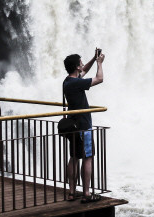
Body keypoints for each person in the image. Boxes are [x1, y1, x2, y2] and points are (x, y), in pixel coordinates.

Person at [63, 49, 104, 203]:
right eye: (80, 63)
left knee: (74, 157)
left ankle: (72, 192)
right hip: (83, 126)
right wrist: (99, 64)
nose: (82, 65)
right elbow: (99, 79)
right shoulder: (77, 83)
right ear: (76, 67)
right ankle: (86, 193)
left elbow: (84, 71)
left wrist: (93, 58)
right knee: (88, 157)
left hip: (72, 125)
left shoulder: (68, 81)